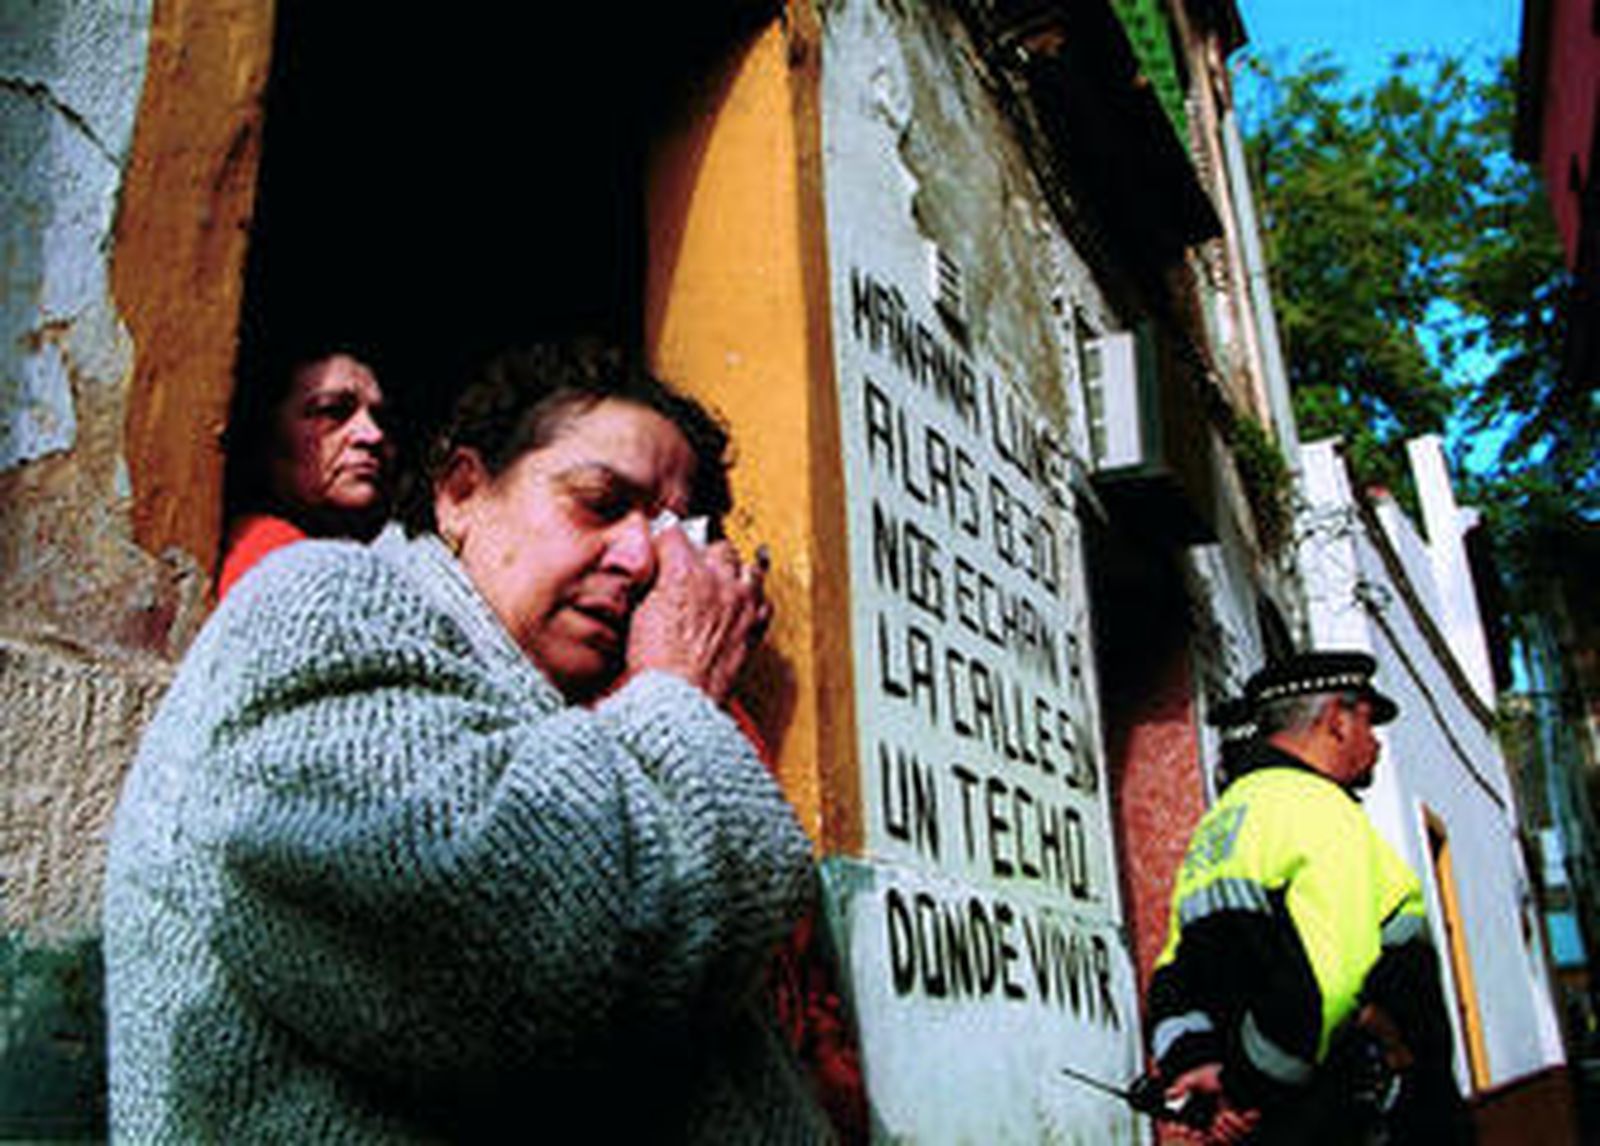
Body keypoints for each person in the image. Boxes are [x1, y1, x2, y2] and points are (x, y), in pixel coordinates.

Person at [104, 343, 834, 1142]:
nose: (640, 561)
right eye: (598, 502)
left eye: (670, 533)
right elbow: (530, 947)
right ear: (459, 494)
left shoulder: (557, 716)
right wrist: (682, 691)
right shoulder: (320, 605)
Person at [1145, 651, 1473, 1145]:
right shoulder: (1321, 812)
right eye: (1366, 721)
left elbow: (1173, 978)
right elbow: (1330, 984)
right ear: (1336, 720)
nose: (1376, 742)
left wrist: (1201, 1067)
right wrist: (1242, 1088)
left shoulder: (1217, 828)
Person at [216, 346, 395, 598]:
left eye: (382, 418)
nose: (373, 435)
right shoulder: (271, 558)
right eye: (331, 411)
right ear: (265, 433)